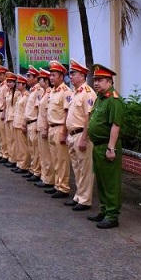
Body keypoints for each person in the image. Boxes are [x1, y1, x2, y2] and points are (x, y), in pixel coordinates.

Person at [87, 64, 125, 229]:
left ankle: (112, 215)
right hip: (97, 146)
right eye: (95, 80)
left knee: (110, 182)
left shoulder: (114, 100)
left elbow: (115, 126)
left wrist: (111, 148)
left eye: (100, 80)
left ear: (109, 81)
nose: (96, 83)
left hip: (107, 147)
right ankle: (104, 210)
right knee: (101, 181)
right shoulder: (100, 98)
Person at [63, 59, 97, 212]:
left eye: (74, 73)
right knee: (76, 168)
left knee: (85, 169)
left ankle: (85, 200)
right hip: (72, 135)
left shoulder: (88, 93)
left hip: (81, 136)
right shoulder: (75, 93)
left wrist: (84, 138)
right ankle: (78, 196)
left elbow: (89, 118)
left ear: (82, 76)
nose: (71, 76)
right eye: (70, 73)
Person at [45, 60, 73, 199]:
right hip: (51, 128)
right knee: (54, 159)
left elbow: (67, 113)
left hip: (60, 128)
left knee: (62, 160)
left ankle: (63, 188)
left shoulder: (66, 92)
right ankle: (57, 185)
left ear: (61, 76)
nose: (51, 77)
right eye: (50, 75)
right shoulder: (52, 92)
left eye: (54, 75)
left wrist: (64, 132)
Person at [34, 68, 55, 188]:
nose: (38, 81)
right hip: (41, 126)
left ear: (45, 81)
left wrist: (45, 128)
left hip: (46, 127)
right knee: (43, 154)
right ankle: (45, 178)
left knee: (47, 156)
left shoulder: (49, 93)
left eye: (40, 79)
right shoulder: (44, 93)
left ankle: (48, 179)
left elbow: (47, 113)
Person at [22, 67, 42, 182]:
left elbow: (39, 109)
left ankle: (37, 171)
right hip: (29, 122)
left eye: (29, 76)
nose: (27, 78)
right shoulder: (32, 90)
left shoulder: (38, 90)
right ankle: (33, 169)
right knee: (32, 149)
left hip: (34, 122)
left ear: (35, 78)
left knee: (35, 149)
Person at [9, 75, 31, 174]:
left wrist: (24, 124)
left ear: (24, 84)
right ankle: (19, 163)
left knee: (23, 146)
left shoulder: (27, 96)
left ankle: (24, 165)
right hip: (16, 122)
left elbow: (26, 111)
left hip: (21, 123)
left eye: (19, 83)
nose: (17, 85)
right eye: (17, 83)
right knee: (18, 145)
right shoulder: (20, 95)